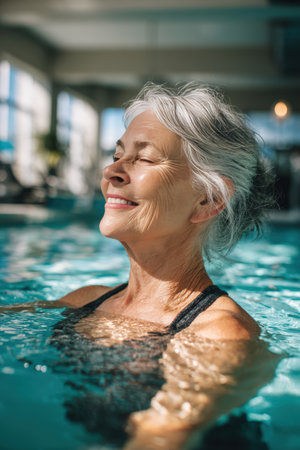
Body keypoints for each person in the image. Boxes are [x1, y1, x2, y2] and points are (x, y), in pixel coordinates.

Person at [0, 83, 277, 449]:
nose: (112, 170)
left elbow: (159, 437)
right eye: (117, 154)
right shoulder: (86, 300)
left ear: (208, 200)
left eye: (144, 159)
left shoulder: (221, 335)